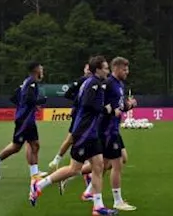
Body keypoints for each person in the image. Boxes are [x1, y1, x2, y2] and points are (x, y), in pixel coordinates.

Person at [30, 56, 118, 216]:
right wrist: (108, 109)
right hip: (84, 132)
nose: (107, 71)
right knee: (74, 169)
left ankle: (98, 206)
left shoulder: (92, 83)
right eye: (105, 68)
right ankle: (39, 185)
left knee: (98, 165)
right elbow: (89, 104)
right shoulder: (94, 84)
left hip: (91, 131)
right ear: (97, 69)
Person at [79, 56, 138, 210]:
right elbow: (99, 104)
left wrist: (129, 106)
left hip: (113, 128)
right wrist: (109, 111)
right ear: (116, 69)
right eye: (124, 69)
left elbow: (119, 106)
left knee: (107, 163)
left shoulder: (119, 84)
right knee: (116, 164)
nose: (127, 72)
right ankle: (117, 201)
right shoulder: (108, 84)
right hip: (107, 130)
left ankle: (84, 186)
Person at [0, 61, 45, 182]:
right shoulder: (32, 82)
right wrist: (40, 101)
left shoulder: (26, 82)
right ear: (36, 70)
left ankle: (34, 174)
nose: (42, 72)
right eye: (41, 69)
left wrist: (24, 106)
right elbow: (29, 99)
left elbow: (14, 97)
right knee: (18, 146)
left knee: (33, 145)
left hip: (25, 118)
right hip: (25, 120)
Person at [48, 61, 92, 170]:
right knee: (71, 137)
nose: (88, 71)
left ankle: (86, 160)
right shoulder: (81, 81)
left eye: (90, 69)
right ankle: (57, 159)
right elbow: (68, 94)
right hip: (79, 114)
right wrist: (78, 100)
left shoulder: (95, 82)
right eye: (87, 69)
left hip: (88, 114)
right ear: (84, 70)